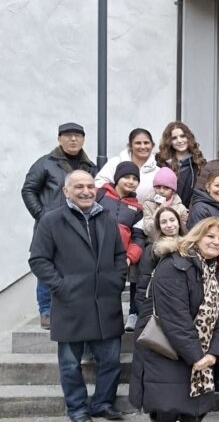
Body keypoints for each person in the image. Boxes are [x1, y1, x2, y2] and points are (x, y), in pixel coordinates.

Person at [29, 170, 127, 422]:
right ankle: (77, 409)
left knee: (110, 361)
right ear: (66, 191)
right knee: (71, 365)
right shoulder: (51, 220)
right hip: (70, 303)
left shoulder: (106, 218)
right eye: (79, 186)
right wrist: (61, 287)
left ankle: (103, 404)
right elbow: (39, 260)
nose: (86, 191)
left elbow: (119, 255)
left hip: (106, 302)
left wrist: (116, 281)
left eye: (90, 186)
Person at [128, 217, 219, 422]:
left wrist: (213, 353)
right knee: (167, 412)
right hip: (168, 354)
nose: (216, 242)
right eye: (210, 236)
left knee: (193, 414)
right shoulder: (174, 264)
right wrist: (197, 357)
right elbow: (175, 318)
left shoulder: (215, 271)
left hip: (200, 357)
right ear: (196, 237)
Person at [22, 122, 98, 329]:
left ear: (83, 139)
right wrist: (42, 215)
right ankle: (46, 310)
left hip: (81, 227)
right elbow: (28, 190)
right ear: (59, 139)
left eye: (77, 136)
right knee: (47, 264)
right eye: (68, 136)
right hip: (51, 226)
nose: (73, 139)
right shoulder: (45, 163)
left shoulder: (90, 166)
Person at [95, 161, 146, 332]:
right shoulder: (100, 194)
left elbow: (138, 237)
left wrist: (129, 258)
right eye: (126, 177)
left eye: (134, 178)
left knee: (111, 300)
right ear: (117, 178)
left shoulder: (137, 208)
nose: (130, 181)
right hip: (94, 255)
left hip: (118, 259)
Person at [135, 207, 185, 313]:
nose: (169, 225)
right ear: (159, 227)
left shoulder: (190, 247)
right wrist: (145, 314)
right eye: (163, 222)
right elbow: (143, 285)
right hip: (161, 306)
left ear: (179, 222)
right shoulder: (153, 250)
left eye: (172, 220)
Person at [95, 128, 159, 199]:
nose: (143, 147)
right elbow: (99, 184)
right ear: (130, 146)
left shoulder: (158, 172)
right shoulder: (115, 162)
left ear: (152, 145)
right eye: (138, 143)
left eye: (146, 143)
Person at [155, 121, 206, 206]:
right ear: (169, 141)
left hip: (191, 213)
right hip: (166, 213)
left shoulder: (199, 163)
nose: (179, 140)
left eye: (182, 136)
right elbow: (155, 192)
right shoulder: (161, 163)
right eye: (174, 138)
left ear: (189, 137)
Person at [140, 166, 189, 240]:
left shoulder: (180, 207)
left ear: (173, 190)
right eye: (158, 187)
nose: (161, 191)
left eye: (166, 188)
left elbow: (185, 232)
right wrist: (160, 209)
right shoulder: (148, 204)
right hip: (154, 243)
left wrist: (182, 223)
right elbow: (147, 230)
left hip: (176, 243)